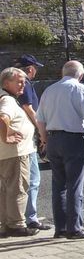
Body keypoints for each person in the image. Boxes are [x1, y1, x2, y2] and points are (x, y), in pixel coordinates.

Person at [35, 60, 84, 240]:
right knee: (74, 184)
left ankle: (61, 228)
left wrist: (44, 140)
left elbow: (40, 120)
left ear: (62, 73)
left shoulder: (49, 90)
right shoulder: (80, 89)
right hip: (73, 139)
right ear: (80, 75)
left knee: (59, 186)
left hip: (53, 139)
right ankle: (75, 228)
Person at [14, 55, 52, 230]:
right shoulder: (25, 84)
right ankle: (31, 218)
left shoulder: (10, 86)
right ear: (30, 68)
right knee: (33, 179)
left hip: (18, 137)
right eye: (35, 68)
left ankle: (18, 217)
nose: (35, 71)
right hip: (26, 138)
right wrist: (41, 130)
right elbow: (28, 108)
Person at [0, 67, 39, 237]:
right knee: (17, 188)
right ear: (7, 83)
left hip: (10, 153)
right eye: (19, 82)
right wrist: (6, 137)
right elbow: (3, 117)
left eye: (24, 82)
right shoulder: (7, 100)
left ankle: (7, 224)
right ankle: (16, 225)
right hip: (15, 153)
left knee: (7, 189)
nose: (23, 85)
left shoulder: (7, 98)